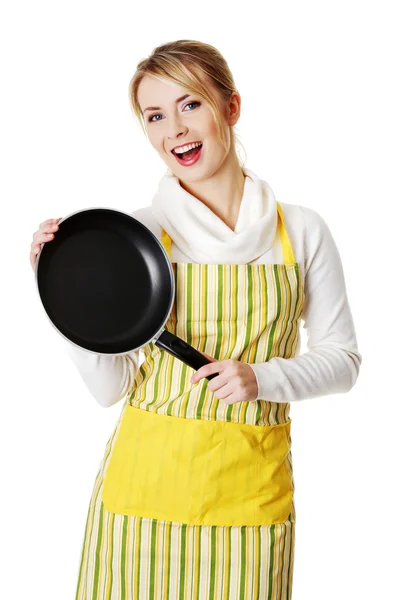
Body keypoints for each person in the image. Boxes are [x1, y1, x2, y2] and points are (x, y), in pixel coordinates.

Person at [30, 39, 362, 600]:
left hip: (248, 503)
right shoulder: (137, 238)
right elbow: (110, 389)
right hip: (139, 505)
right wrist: (62, 295)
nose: (174, 130)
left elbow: (344, 361)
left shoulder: (300, 232)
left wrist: (264, 378)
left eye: (190, 105)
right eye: (154, 116)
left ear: (230, 108)